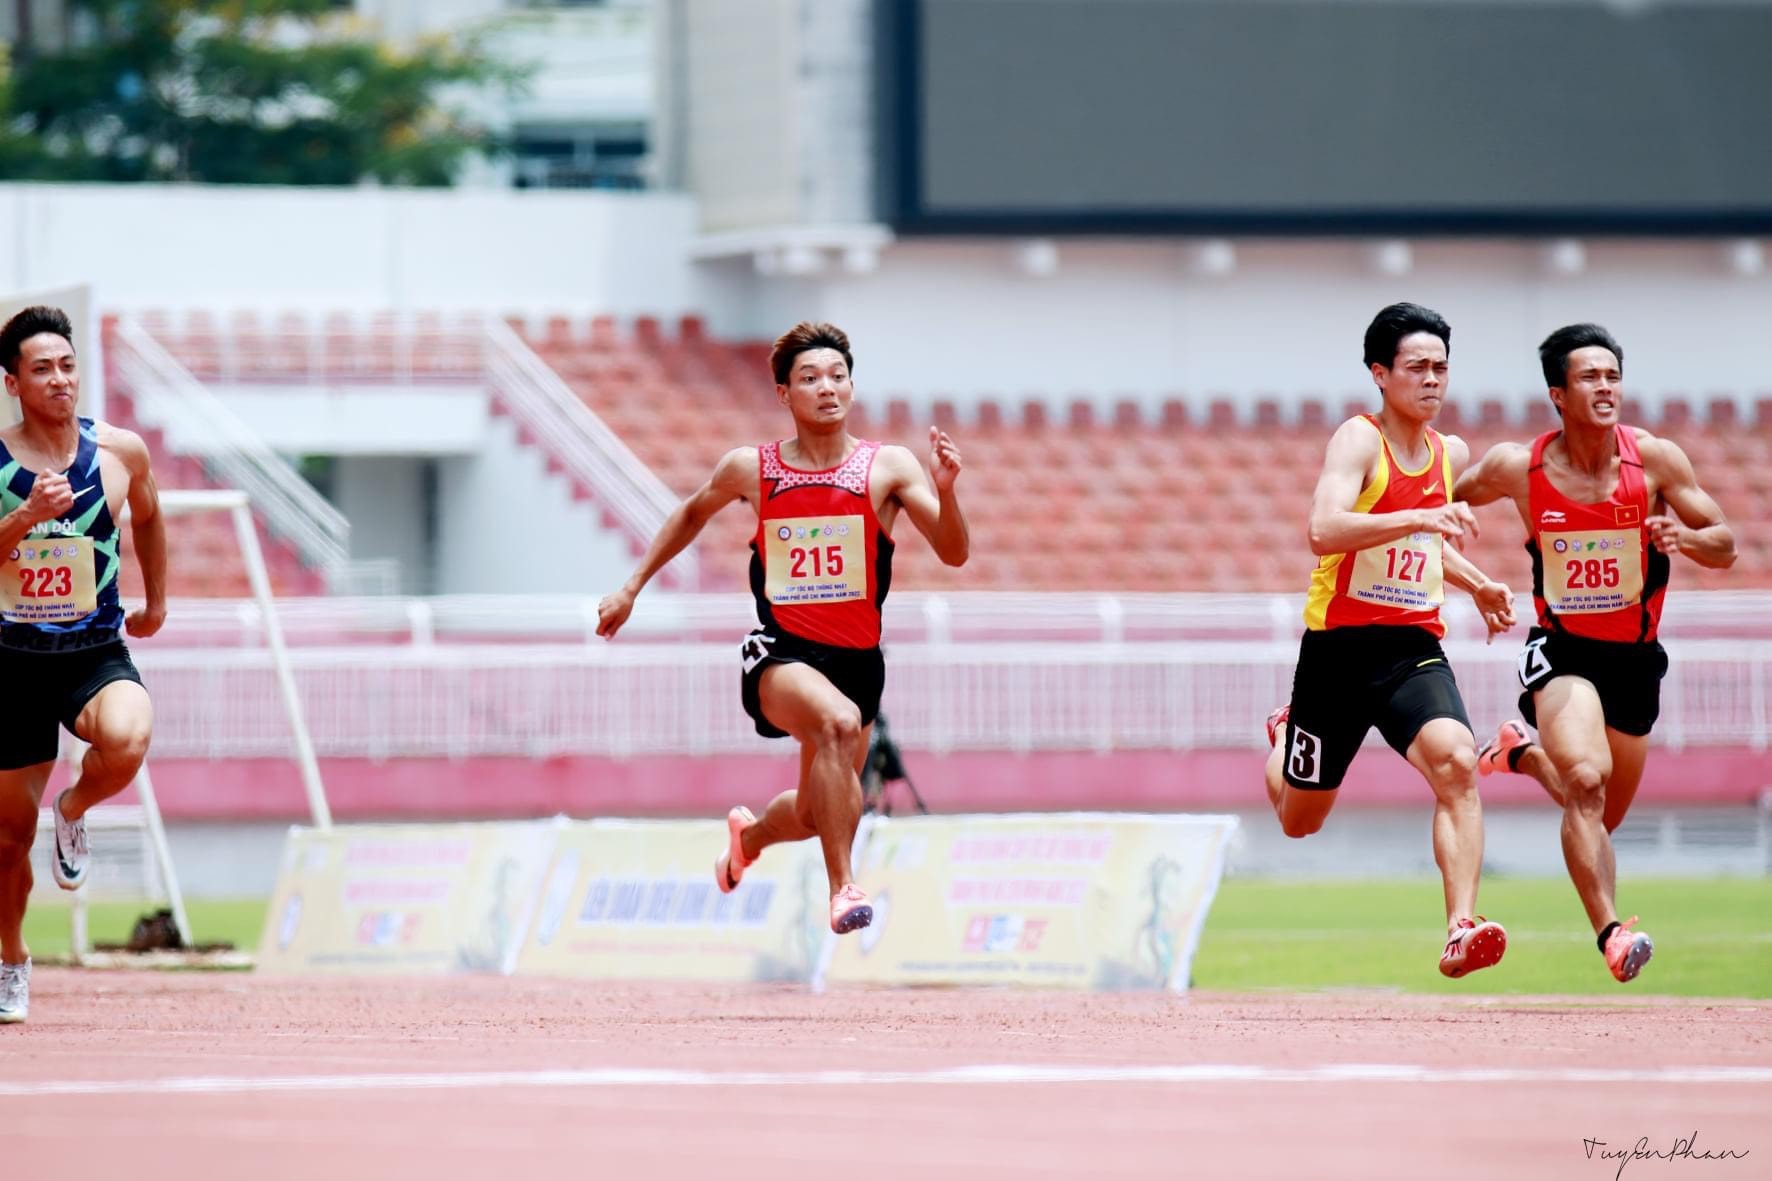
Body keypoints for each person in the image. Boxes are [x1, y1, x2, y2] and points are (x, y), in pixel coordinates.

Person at [596, 321, 968, 934]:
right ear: (783, 395)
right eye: (810, 378)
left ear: (852, 387)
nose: (827, 388)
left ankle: (750, 839)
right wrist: (632, 587)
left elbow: (954, 552)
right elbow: (690, 514)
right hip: (781, 651)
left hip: (858, 661)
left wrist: (948, 493)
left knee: (819, 813)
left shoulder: (890, 467)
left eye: (838, 376)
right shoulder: (753, 469)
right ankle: (844, 889)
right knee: (837, 724)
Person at [1456, 323, 1735, 983]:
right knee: (1585, 780)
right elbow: (1435, 500)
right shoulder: (1514, 468)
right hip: (1562, 650)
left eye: (1612, 375)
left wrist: (1685, 540)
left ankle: (1519, 754)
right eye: (1590, 376)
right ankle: (1612, 935)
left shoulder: (1657, 461)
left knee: (1599, 813)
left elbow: (1725, 541)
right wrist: (1465, 575)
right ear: (1558, 392)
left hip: (1636, 660)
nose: (1606, 387)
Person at [1264, 302, 1518, 979]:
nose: (1433, 380)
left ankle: (1460, 925)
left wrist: (1479, 583)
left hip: (1410, 644)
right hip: (1339, 648)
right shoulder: (1357, 440)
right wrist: (1420, 514)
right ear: (1380, 373)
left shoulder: (1449, 452)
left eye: (1441, 367)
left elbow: (1425, 540)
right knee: (1298, 819)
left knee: (1458, 763)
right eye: (1417, 367)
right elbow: (1323, 530)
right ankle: (1287, 736)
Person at [0, 306, 166, 1023]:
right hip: (10, 662)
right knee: (7, 845)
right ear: (13, 382)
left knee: (128, 736)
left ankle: (73, 810)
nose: (60, 378)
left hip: (93, 650)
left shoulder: (121, 453)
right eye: (42, 368)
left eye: (67, 365)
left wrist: (156, 602)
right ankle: (11, 958)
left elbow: (151, 517)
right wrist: (26, 518)